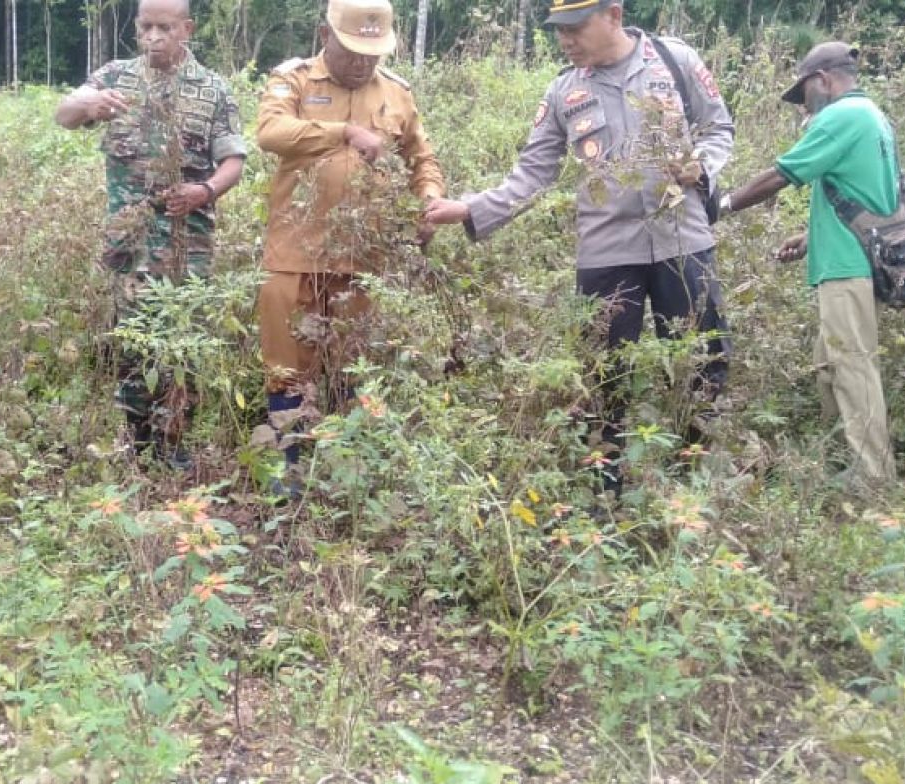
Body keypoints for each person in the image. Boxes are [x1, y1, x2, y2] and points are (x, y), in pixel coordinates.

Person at [423, 0, 733, 497]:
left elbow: (719, 127)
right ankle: (605, 488)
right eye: (558, 30)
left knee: (703, 358)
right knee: (604, 371)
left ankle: (691, 482)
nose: (565, 40)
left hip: (684, 239)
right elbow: (533, 173)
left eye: (575, 27)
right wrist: (470, 209)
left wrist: (702, 164)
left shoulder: (674, 61)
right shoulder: (565, 91)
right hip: (606, 253)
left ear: (613, 14)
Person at [54, 0, 246, 469]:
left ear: (187, 29)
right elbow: (64, 113)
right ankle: (138, 443)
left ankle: (174, 444)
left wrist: (204, 190)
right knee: (132, 341)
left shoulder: (212, 90)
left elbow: (234, 162)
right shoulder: (115, 77)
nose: (154, 37)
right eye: (146, 27)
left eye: (165, 27)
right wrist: (87, 104)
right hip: (127, 245)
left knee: (182, 341)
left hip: (187, 247)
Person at [257, 0, 445, 475]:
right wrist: (343, 132)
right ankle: (290, 469)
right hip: (294, 253)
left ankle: (343, 468)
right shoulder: (295, 80)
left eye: (373, 53)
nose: (362, 62)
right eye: (352, 51)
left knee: (353, 362)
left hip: (365, 257)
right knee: (286, 364)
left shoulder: (397, 94)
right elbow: (270, 132)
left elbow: (422, 159)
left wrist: (428, 198)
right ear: (325, 35)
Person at [720, 41, 896, 485]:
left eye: (804, 93)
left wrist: (721, 205)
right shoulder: (873, 117)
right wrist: (808, 236)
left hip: (847, 270)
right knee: (830, 368)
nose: (803, 104)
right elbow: (870, 196)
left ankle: (873, 482)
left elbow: (782, 174)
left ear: (823, 80)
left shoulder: (842, 115)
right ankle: (841, 465)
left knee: (852, 369)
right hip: (848, 262)